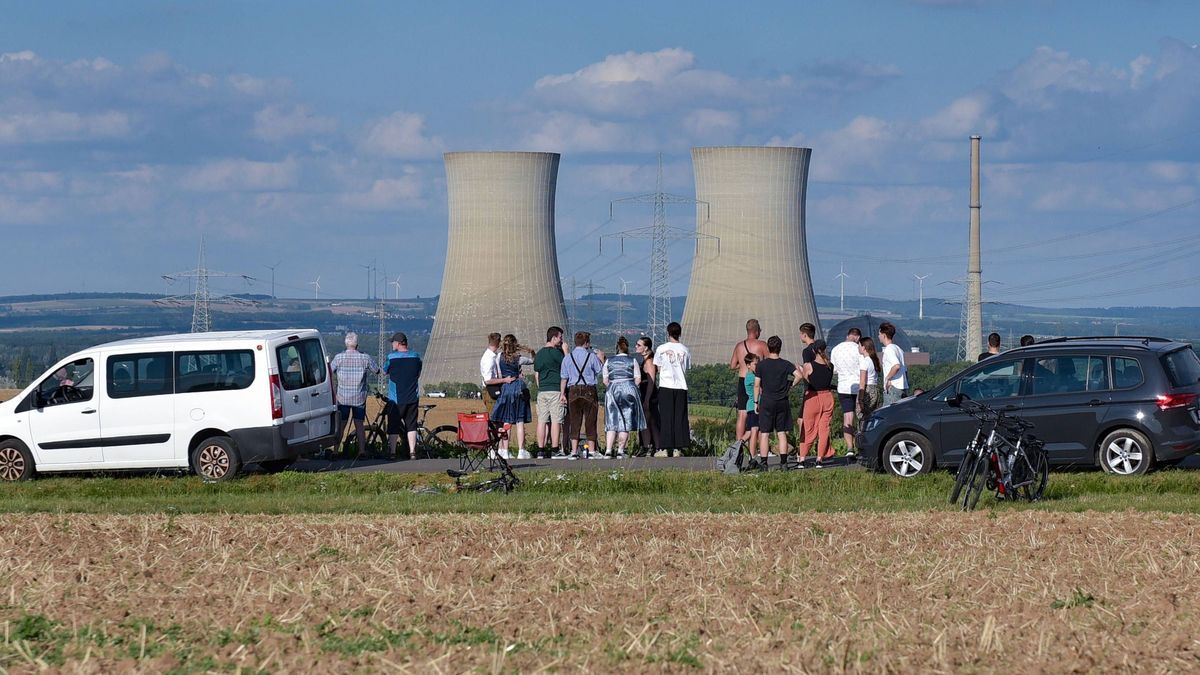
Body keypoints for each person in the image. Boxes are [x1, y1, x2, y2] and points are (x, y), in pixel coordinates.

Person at [330, 331, 381, 456]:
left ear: (346, 344)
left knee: (341, 425)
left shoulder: (339, 357)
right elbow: (377, 371)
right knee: (359, 425)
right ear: (357, 345)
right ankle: (362, 451)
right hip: (359, 397)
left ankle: (336, 451)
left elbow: (329, 371)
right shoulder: (365, 358)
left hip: (342, 398)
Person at [755, 336, 801, 470]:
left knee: (764, 433)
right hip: (782, 401)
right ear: (780, 348)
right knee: (781, 433)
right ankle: (784, 463)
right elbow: (799, 375)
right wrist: (790, 386)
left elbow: (757, 385)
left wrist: (755, 402)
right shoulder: (785, 364)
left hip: (767, 401)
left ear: (768, 348)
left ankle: (763, 463)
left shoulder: (761, 365)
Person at [489, 334, 536, 459]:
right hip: (518, 388)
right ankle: (521, 451)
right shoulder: (519, 358)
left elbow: (499, 373)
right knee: (519, 421)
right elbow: (533, 361)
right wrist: (532, 352)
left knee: (507, 420)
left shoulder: (499, 357)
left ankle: (505, 450)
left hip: (506, 387)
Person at [560, 331, 604, 460]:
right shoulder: (591, 357)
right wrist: (601, 358)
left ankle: (573, 451)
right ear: (586, 343)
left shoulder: (568, 358)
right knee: (591, 421)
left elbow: (564, 377)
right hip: (589, 390)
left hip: (573, 390)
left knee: (575, 421)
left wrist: (562, 394)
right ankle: (591, 451)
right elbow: (599, 371)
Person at [729, 319, 769, 447]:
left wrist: (743, 366)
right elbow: (770, 362)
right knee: (757, 412)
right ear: (757, 331)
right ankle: (756, 445)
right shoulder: (762, 345)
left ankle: (738, 445)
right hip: (757, 380)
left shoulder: (739, 346)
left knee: (742, 413)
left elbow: (732, 365)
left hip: (743, 380)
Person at [603, 337, 645, 458]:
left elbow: (605, 379)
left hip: (613, 390)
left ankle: (608, 450)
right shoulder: (632, 360)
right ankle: (621, 450)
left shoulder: (608, 361)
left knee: (612, 420)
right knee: (625, 420)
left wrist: (612, 386)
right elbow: (638, 378)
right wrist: (631, 387)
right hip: (628, 389)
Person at [654, 321, 691, 458]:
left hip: (666, 386)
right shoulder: (685, 350)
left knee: (665, 417)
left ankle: (664, 448)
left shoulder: (661, 349)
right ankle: (678, 448)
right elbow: (686, 368)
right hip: (681, 386)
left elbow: (657, 368)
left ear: (668, 333)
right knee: (679, 417)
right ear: (680, 333)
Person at [385, 332, 422, 461]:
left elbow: (385, 371)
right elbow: (418, 374)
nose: (392, 344)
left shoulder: (391, 357)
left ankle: (393, 452)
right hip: (412, 397)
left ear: (399, 343)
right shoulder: (416, 357)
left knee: (393, 426)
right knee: (411, 425)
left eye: (393, 342)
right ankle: (412, 452)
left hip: (395, 399)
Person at [798, 339, 836, 468]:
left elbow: (807, 380)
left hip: (813, 398)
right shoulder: (830, 365)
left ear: (813, 350)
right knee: (824, 429)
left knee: (808, 428)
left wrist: (800, 370)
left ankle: (802, 459)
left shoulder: (809, 366)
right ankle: (819, 459)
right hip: (827, 397)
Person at [533, 326, 568, 459]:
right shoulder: (556, 353)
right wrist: (565, 351)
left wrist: (540, 386)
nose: (561, 340)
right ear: (553, 338)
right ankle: (554, 449)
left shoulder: (539, 354)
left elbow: (537, 373)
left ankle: (540, 450)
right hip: (555, 390)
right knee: (556, 420)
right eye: (560, 338)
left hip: (542, 391)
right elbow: (567, 365)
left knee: (541, 421)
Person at [829, 327, 862, 459]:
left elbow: (834, 369)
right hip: (859, 386)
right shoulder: (859, 349)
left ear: (847, 335)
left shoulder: (836, 349)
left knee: (847, 417)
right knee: (862, 416)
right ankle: (862, 445)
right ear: (858, 337)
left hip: (843, 387)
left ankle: (849, 448)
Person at [635, 337, 660, 457]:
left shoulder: (649, 362)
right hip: (645, 392)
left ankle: (648, 446)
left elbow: (651, 381)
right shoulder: (644, 360)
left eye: (639, 345)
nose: (636, 347)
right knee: (650, 421)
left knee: (647, 421)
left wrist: (647, 399)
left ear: (646, 347)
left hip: (648, 394)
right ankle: (654, 446)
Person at [742, 353, 765, 471]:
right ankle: (752, 456)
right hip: (753, 406)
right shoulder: (751, 377)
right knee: (754, 430)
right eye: (755, 364)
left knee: (752, 431)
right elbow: (759, 389)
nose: (757, 366)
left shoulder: (751, 375)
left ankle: (740, 445)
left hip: (753, 407)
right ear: (748, 365)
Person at [879, 322, 908, 405]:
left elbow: (896, 366)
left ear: (884, 335)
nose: (879, 336)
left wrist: (887, 378)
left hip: (893, 388)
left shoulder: (889, 349)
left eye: (879, 334)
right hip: (902, 387)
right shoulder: (898, 349)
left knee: (889, 414)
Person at [857, 336, 882, 426]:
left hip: (867, 390)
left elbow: (862, 381)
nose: (858, 347)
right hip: (875, 389)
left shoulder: (864, 362)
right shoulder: (873, 360)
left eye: (859, 345)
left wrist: (860, 398)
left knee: (863, 418)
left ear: (864, 347)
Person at [479, 333, 505, 413]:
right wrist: (504, 380)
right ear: (498, 343)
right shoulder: (489, 359)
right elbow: (488, 380)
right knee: (494, 417)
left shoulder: (492, 356)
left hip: (492, 390)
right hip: (490, 391)